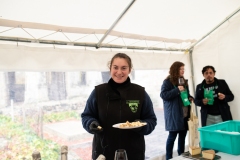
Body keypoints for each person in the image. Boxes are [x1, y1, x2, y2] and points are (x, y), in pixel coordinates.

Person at [81, 53, 157, 160]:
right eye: (115, 67)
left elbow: (151, 119)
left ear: (130, 70)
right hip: (103, 152)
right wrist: (90, 123)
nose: (119, 72)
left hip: (133, 152)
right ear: (110, 68)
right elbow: (86, 116)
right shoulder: (98, 92)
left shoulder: (140, 93)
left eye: (124, 68)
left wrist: (142, 126)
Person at [160, 61, 193, 160]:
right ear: (175, 70)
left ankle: (181, 156)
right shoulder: (167, 82)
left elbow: (185, 95)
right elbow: (163, 95)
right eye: (181, 69)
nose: (183, 71)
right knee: (172, 137)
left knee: (182, 137)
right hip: (174, 114)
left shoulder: (183, 81)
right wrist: (176, 90)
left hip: (185, 113)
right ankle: (169, 157)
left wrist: (190, 97)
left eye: (184, 69)